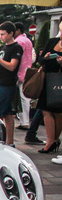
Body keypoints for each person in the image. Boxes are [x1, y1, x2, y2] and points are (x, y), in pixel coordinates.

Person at [35, 21, 62, 156]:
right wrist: (45, 58)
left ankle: (55, 140)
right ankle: (50, 141)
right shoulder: (52, 42)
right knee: (46, 110)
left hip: (60, 81)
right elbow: (40, 61)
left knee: (58, 111)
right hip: (48, 80)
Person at [15, 22, 34, 130]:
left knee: (20, 98)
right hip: (27, 71)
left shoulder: (19, 41)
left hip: (19, 72)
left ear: (17, 30)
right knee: (25, 98)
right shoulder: (28, 40)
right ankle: (25, 121)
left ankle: (24, 121)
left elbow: (17, 58)